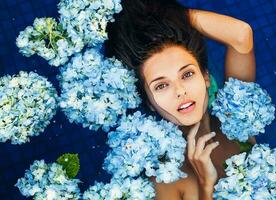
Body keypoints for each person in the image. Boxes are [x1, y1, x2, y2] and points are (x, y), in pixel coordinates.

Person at [104, 0, 256, 199]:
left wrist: (169, 17)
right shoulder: (164, 180)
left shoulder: (235, 116)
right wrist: (205, 186)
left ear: (206, 78)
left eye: (187, 74)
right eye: (161, 85)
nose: (180, 91)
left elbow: (241, 34)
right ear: (149, 102)